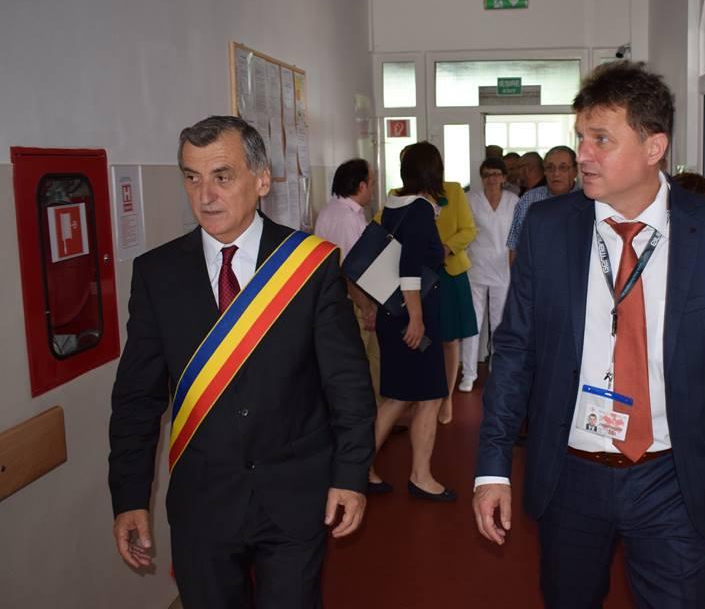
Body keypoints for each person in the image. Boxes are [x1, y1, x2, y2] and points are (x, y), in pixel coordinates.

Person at [473, 62, 705, 609]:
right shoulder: (549, 228)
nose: (582, 155)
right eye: (580, 138)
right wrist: (492, 466)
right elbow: (515, 352)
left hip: (672, 476)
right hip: (570, 473)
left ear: (654, 146)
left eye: (601, 140)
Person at [108, 116, 376, 609]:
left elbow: (348, 385)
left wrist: (350, 475)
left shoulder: (310, 265)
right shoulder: (157, 274)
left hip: (294, 494)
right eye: (192, 178)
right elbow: (136, 400)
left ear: (262, 180)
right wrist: (129, 497)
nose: (205, 195)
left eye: (222, 176)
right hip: (202, 503)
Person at [367, 141, 456, 502]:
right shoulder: (419, 209)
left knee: (399, 397)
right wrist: (417, 318)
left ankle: (360, 467)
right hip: (412, 314)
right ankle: (419, 476)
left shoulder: (393, 206)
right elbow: (409, 268)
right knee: (427, 397)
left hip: (393, 313)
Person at [314, 158, 381, 402]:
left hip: (352, 300)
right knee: (360, 362)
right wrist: (366, 307)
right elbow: (349, 269)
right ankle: (369, 414)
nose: (373, 189)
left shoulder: (338, 212)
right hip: (353, 302)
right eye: (371, 183)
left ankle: (377, 411)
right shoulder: (345, 218)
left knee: (372, 359)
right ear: (361, 186)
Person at [460, 157, 519, 392]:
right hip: (475, 268)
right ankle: (468, 373)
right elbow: (464, 231)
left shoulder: (513, 201)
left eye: (496, 174)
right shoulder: (470, 199)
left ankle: (498, 368)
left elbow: (517, 235)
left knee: (500, 323)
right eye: (487, 175)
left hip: (503, 269)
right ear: (481, 178)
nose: (492, 179)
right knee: (472, 323)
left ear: (504, 177)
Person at [435, 176, 478, 423]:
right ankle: (425, 396)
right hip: (417, 274)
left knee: (449, 340)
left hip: (450, 270)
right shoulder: (398, 195)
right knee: (422, 340)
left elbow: (469, 230)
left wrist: (447, 247)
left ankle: (447, 397)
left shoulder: (452, 191)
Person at [506, 145, 579, 264]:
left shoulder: (588, 201)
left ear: (575, 171)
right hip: (537, 271)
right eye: (550, 168)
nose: (556, 173)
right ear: (544, 171)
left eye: (563, 168)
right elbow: (514, 246)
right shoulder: (529, 200)